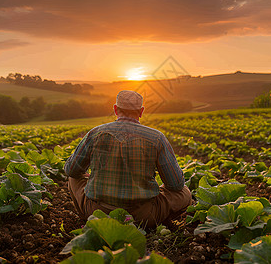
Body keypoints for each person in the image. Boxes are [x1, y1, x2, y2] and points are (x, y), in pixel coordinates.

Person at [64, 90, 192, 228]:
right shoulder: (157, 137)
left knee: (73, 178)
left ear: (115, 109)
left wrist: (91, 177)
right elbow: (175, 185)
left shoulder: (95, 133)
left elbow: (71, 170)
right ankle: (158, 222)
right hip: (144, 216)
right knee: (185, 193)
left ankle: (88, 220)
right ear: (141, 111)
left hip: (98, 213)